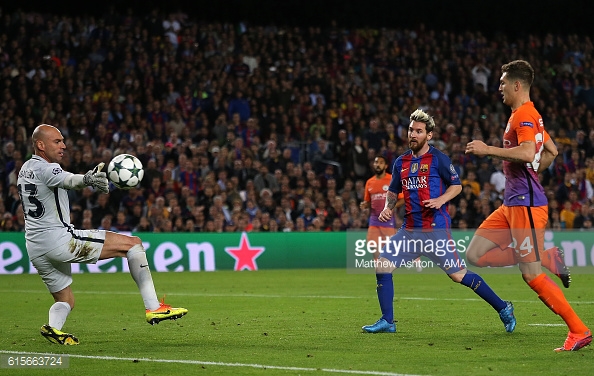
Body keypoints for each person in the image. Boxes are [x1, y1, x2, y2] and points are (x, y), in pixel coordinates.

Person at [18, 124, 188, 346]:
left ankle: (53, 328)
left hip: (35, 246)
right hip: (58, 240)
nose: (64, 145)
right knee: (133, 244)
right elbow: (67, 180)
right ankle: (154, 307)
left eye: (62, 141)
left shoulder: (25, 168)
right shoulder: (48, 169)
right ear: (40, 145)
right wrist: (87, 180)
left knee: (66, 299)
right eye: (57, 141)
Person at [465, 60, 591, 352]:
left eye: (503, 83)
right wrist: (534, 170)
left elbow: (527, 151)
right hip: (512, 203)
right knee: (475, 254)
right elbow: (551, 150)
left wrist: (487, 150)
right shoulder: (527, 115)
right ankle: (545, 256)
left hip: (526, 204)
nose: (499, 88)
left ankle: (579, 329)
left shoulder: (524, 114)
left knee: (531, 275)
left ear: (517, 85)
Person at [362, 109, 515, 334]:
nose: (413, 135)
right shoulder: (400, 162)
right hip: (409, 231)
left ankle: (504, 308)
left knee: (458, 275)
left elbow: (457, 185)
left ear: (429, 135)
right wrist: (388, 207)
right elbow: (393, 190)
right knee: (382, 265)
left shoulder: (439, 159)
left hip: (435, 230)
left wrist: (440, 199)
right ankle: (387, 321)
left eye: (419, 131)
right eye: (411, 130)